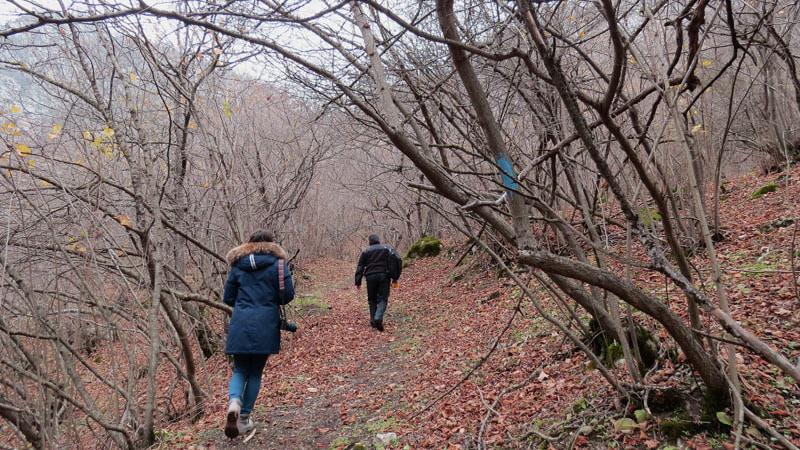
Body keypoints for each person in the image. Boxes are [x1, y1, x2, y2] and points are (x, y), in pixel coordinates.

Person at [222, 230, 295, 438]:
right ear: (271, 244)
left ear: (249, 244)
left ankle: (234, 402)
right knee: (255, 372)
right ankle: (243, 418)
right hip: (266, 323)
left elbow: (228, 297)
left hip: (241, 323)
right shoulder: (278, 265)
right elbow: (287, 295)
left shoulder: (237, 265)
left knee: (240, 369)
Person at [354, 234, 402, 331]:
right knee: (383, 298)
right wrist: (395, 276)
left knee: (372, 299)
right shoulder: (386, 248)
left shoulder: (366, 251)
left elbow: (360, 266)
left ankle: (373, 321)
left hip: (370, 277)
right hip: (384, 276)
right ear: (378, 240)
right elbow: (398, 259)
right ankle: (378, 317)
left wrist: (358, 282)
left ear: (370, 241)